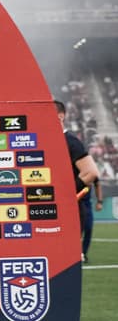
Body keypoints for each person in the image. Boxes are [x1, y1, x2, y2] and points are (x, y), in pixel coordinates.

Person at [55, 100, 101, 263]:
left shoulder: (71, 141)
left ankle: (82, 254)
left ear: (61, 116)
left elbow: (92, 172)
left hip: (71, 208)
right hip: (53, 207)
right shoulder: (48, 140)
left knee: (66, 260)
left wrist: (65, 195)